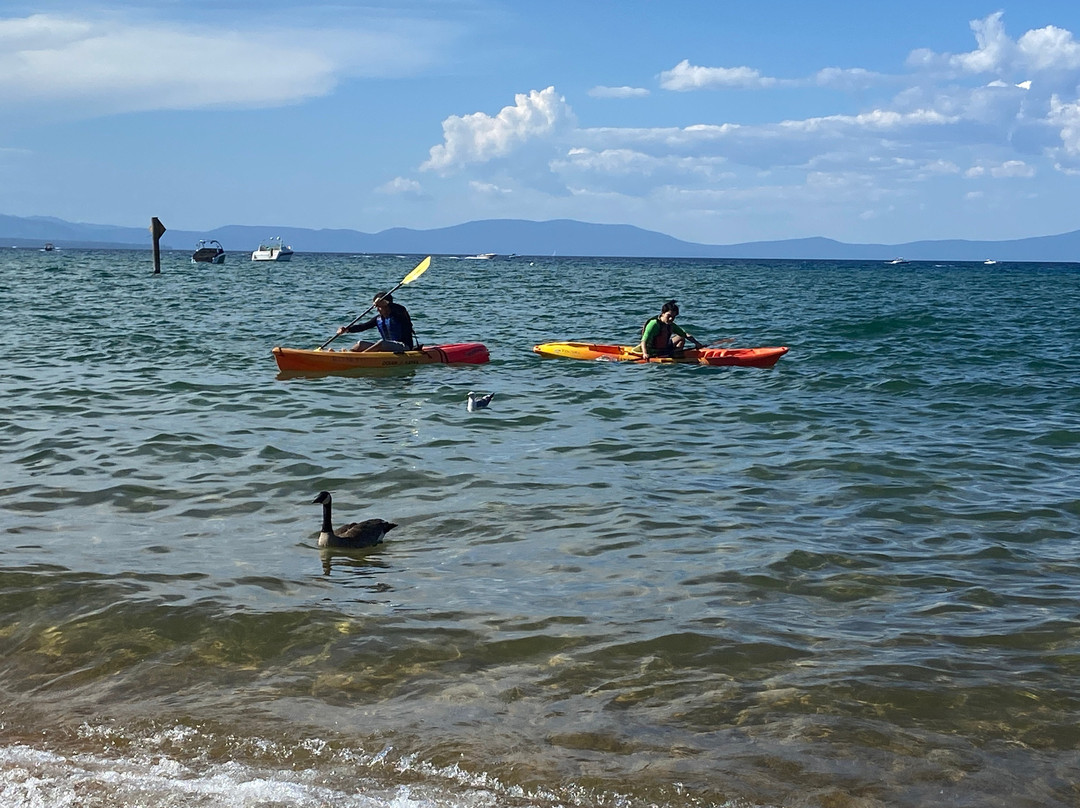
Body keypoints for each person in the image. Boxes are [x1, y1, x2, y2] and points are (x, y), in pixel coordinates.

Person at [336, 292, 416, 353]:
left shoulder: (400, 315)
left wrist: (386, 303)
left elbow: (401, 309)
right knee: (360, 344)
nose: (377, 309)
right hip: (388, 347)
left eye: (379, 307)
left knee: (381, 343)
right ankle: (349, 355)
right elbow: (363, 326)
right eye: (376, 307)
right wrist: (347, 329)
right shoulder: (378, 319)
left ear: (386, 305)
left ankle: (362, 356)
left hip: (404, 347)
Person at [638, 299, 703, 360]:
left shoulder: (670, 324)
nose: (671, 319)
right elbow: (644, 341)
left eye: (673, 317)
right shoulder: (654, 324)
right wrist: (645, 353)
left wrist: (697, 343)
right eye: (668, 316)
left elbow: (685, 334)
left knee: (681, 338)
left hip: (664, 349)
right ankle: (672, 355)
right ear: (663, 313)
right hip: (652, 351)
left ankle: (674, 354)